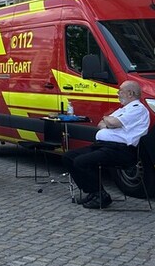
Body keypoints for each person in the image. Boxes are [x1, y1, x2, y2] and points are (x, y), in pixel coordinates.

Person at [63, 81, 150, 209]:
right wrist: (108, 121)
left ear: (130, 93)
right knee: (69, 157)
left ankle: (101, 196)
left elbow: (113, 122)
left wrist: (108, 120)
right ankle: (93, 192)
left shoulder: (138, 109)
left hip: (120, 150)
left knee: (82, 162)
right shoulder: (123, 110)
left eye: (120, 91)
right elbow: (101, 124)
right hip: (103, 146)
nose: (118, 93)